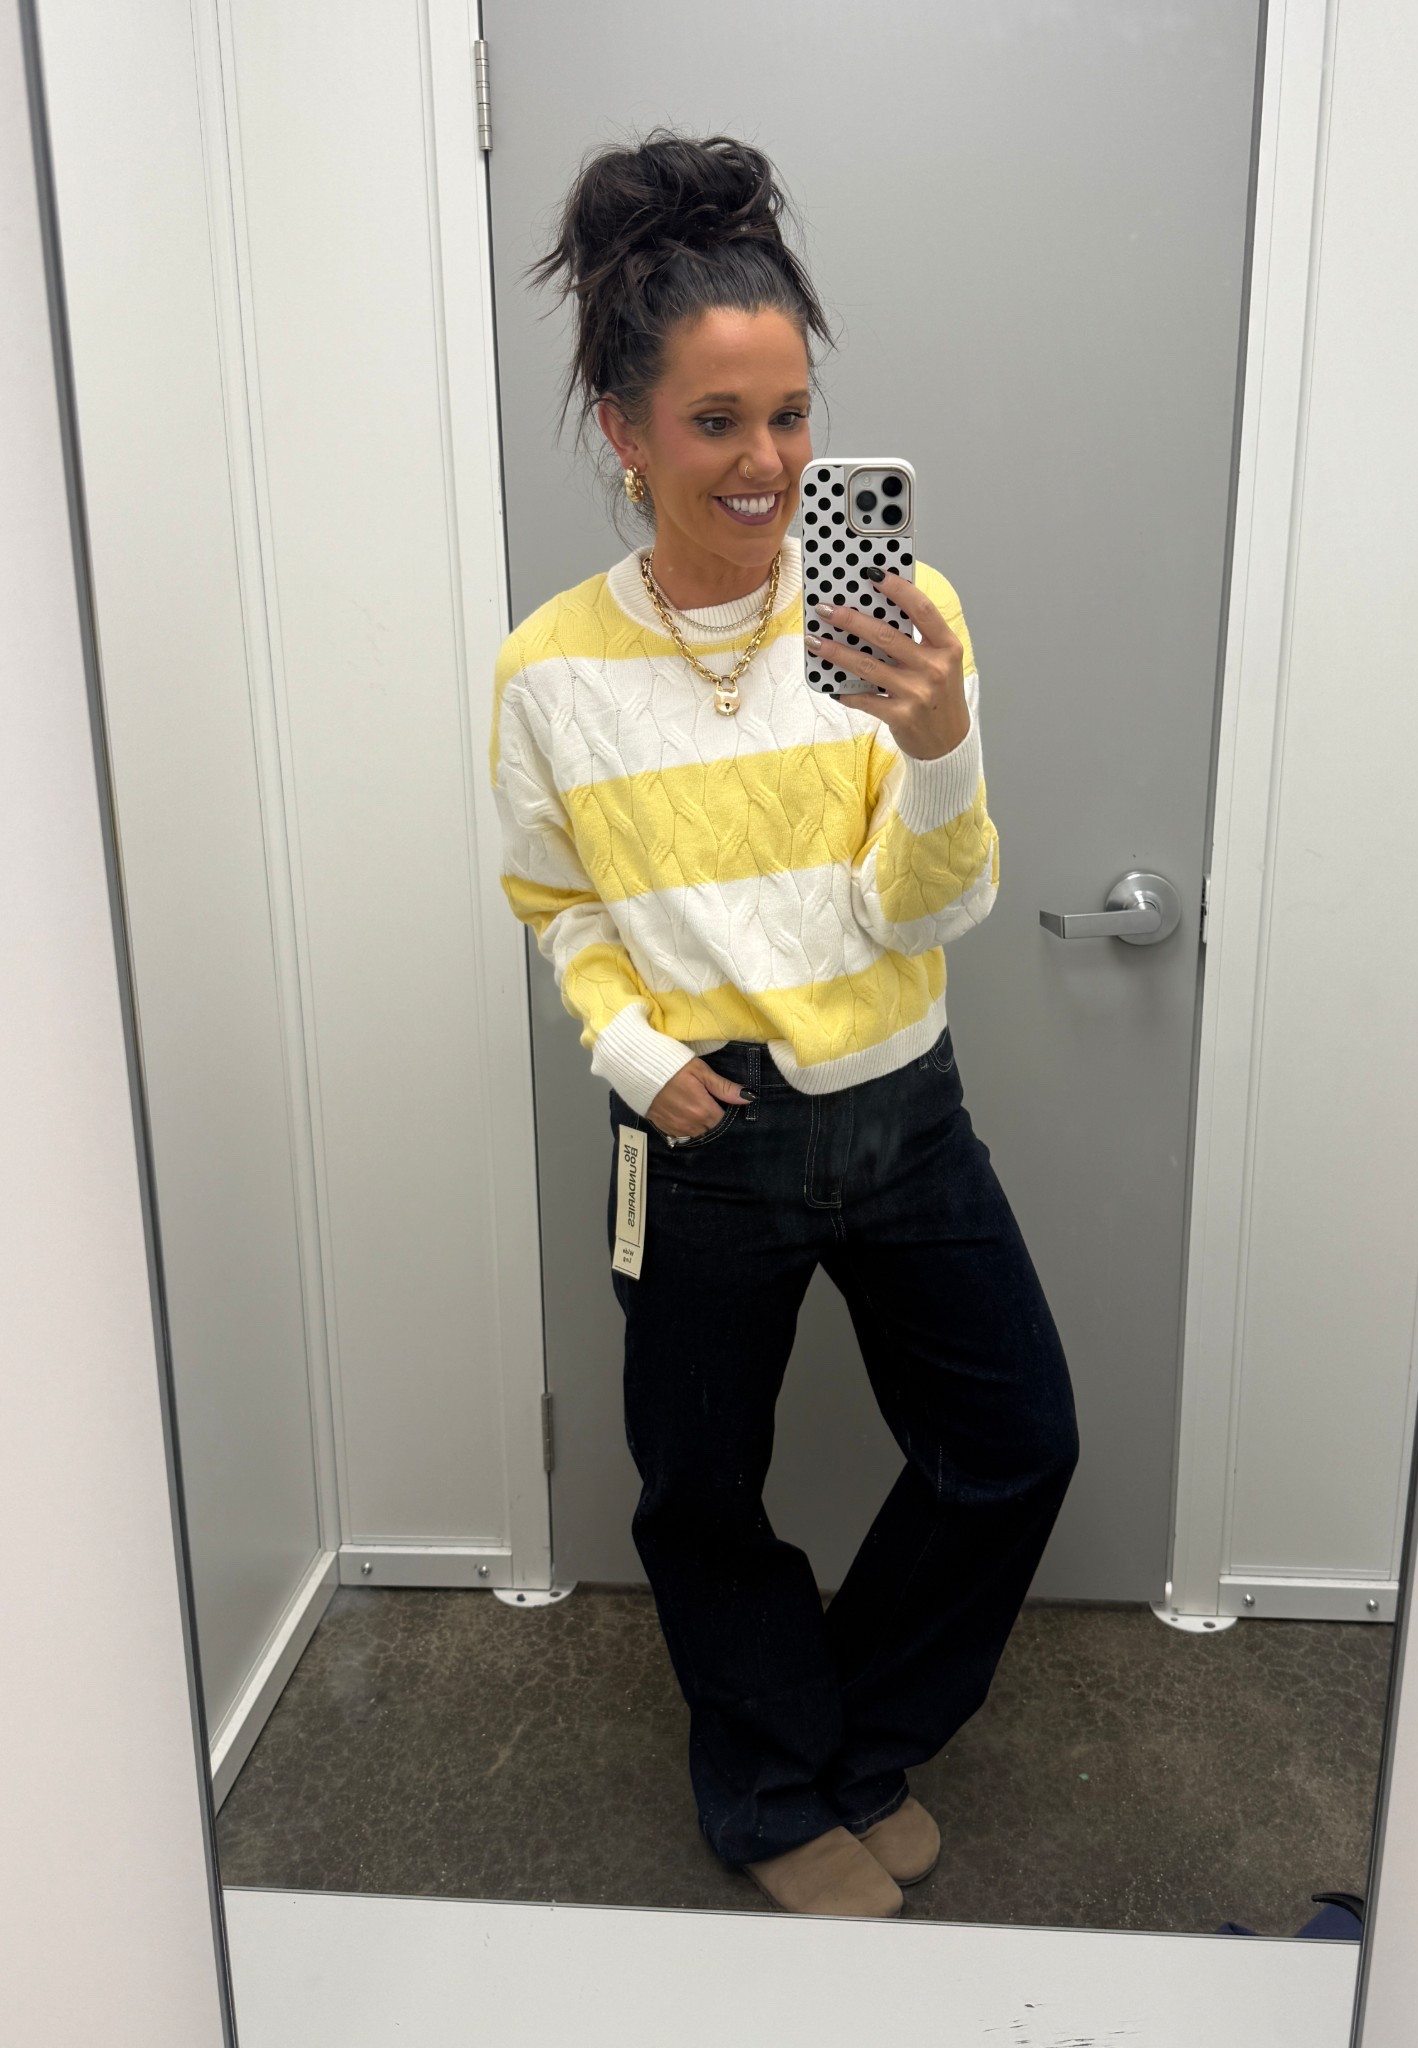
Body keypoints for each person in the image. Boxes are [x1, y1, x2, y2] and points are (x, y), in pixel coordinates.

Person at [491, 131, 1078, 1920]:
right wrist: (630, 1056)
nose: (768, 463)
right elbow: (559, 903)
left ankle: (851, 1744)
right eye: (718, 422)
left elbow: (932, 908)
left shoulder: (906, 623)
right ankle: (765, 1794)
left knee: (1015, 1445)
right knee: (702, 1490)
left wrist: (939, 745)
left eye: (795, 416)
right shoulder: (549, 671)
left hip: (904, 1115)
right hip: (699, 1135)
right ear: (626, 430)